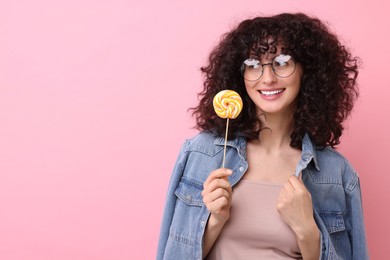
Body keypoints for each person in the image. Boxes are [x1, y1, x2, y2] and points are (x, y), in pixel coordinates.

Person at [157, 12, 368, 260]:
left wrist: (309, 233)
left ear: (306, 71)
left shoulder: (337, 173)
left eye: (282, 62)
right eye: (253, 65)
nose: (267, 78)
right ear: (240, 75)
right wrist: (215, 221)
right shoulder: (199, 154)